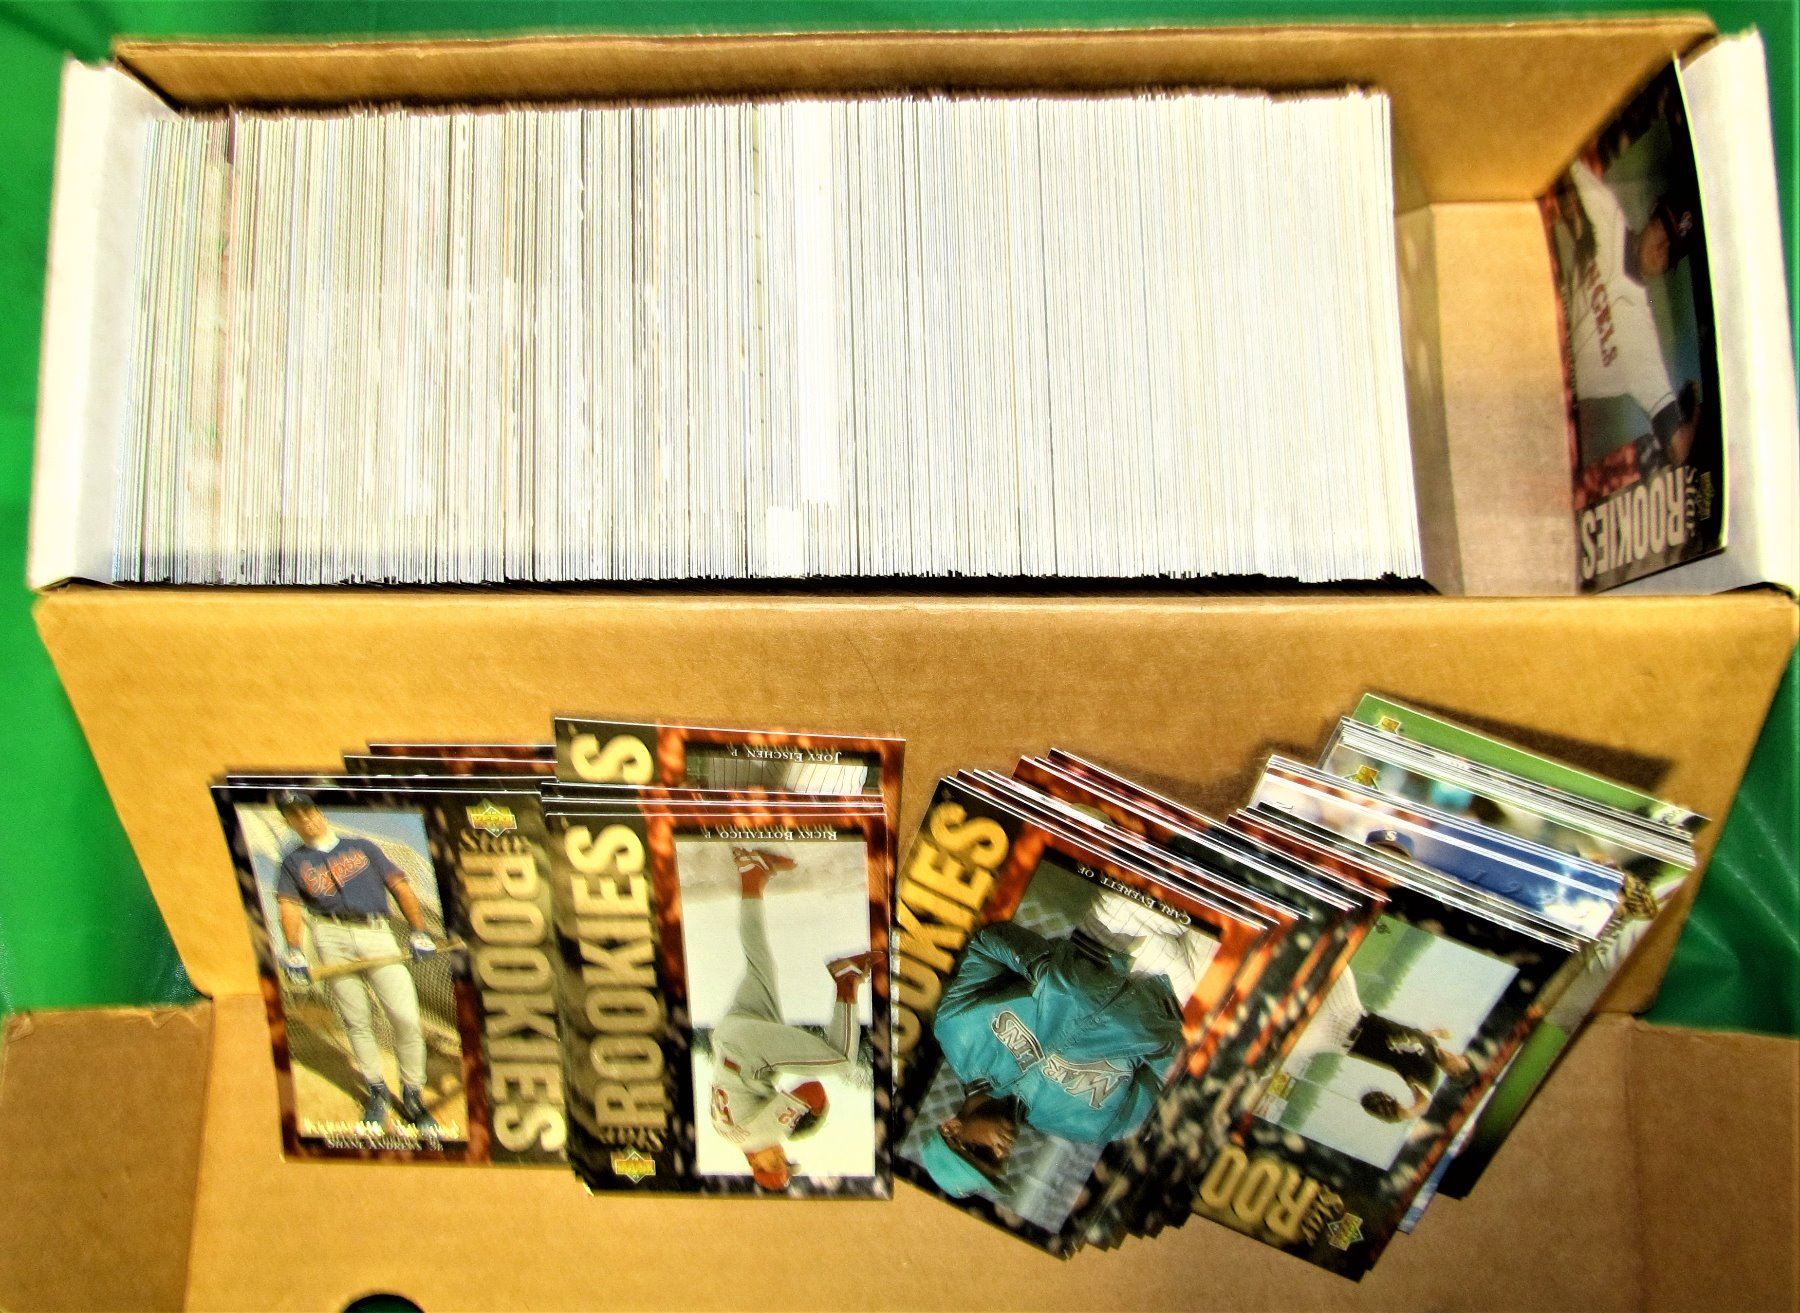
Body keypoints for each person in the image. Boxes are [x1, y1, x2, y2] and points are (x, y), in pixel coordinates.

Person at [914, 909, 1187, 1201]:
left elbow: (987, 945)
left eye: (983, 1152)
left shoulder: (956, 1031)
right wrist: (1164, 1038)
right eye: (999, 1164)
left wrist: (1041, 965)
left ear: (952, 1128)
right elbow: (1166, 1082)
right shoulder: (1085, 1125)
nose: (1001, 1152)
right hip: (1178, 992)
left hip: (1112, 934)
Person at [708, 847, 880, 1190]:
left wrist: (809, 1124)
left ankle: (846, 979)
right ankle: (751, 874)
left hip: (749, 1052)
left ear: (753, 1162)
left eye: (775, 1162)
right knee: (759, 962)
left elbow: (812, 1091)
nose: (780, 1153)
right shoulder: (725, 1134)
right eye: (784, 1160)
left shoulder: (763, 1136)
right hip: (729, 1037)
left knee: (842, 1061)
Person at [271, 792, 440, 1137]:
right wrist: (294, 950)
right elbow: (289, 905)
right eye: (295, 814)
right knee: (356, 1021)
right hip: (330, 936)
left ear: (318, 810)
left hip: (375, 932)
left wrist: (419, 930)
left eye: (307, 809)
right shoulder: (293, 862)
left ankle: (412, 1094)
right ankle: (377, 1092)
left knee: (406, 1018)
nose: (305, 818)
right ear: (288, 821)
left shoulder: (363, 847)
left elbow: (399, 886)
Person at [1273, 968, 1475, 1126]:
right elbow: (1422, 1037)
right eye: (1460, 1065)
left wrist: (1404, 1113)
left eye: (1454, 1073)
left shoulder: (1428, 1073)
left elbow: (1423, 1104)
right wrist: (1438, 1032)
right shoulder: (1430, 1043)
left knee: (1278, 1054)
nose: (1454, 1066)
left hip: (1333, 1037)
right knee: (1336, 957)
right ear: (1462, 1058)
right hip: (1350, 1008)